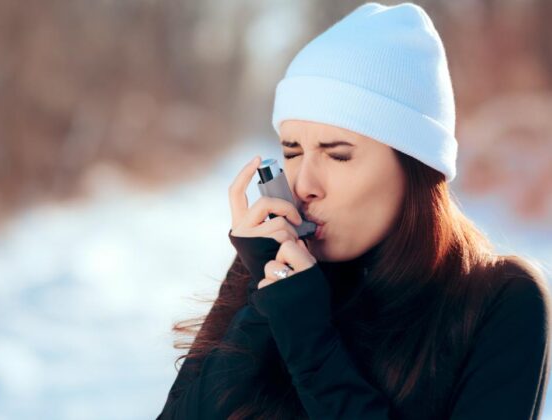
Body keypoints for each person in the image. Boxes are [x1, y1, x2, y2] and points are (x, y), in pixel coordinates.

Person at [157, 2, 551, 419]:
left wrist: (309, 338)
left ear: (414, 165)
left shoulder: (501, 300)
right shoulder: (273, 272)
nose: (304, 185)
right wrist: (259, 306)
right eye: (292, 152)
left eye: (338, 155)